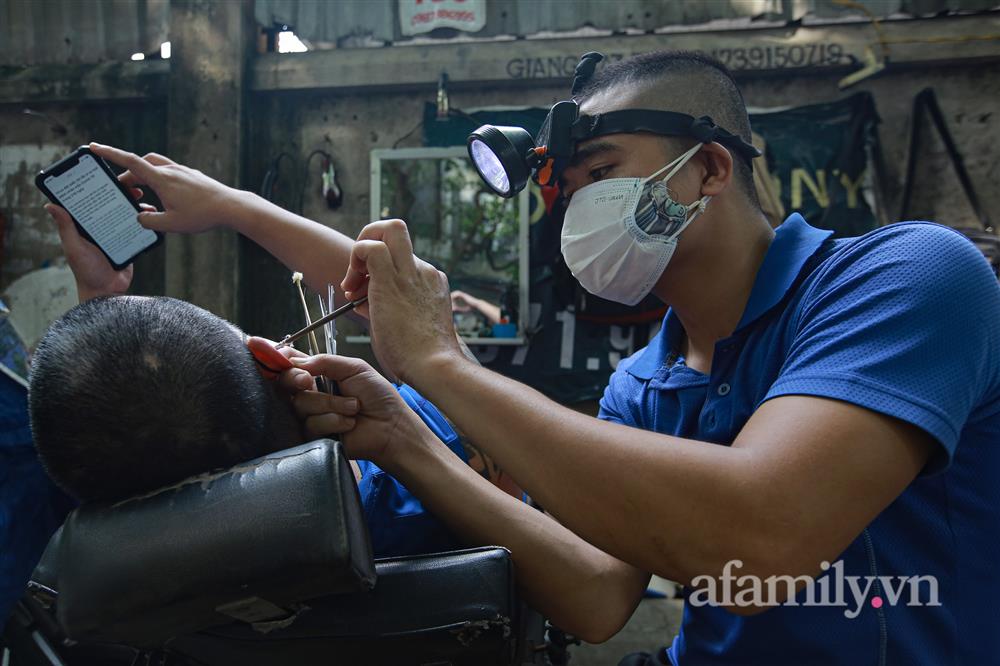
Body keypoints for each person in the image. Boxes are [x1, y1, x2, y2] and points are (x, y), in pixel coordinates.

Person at [299, 50, 998, 665]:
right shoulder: (642, 382)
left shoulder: (907, 277)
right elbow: (598, 594)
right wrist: (403, 438)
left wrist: (440, 362)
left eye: (602, 170)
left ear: (710, 169)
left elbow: (763, 539)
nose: (578, 207)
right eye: (568, 188)